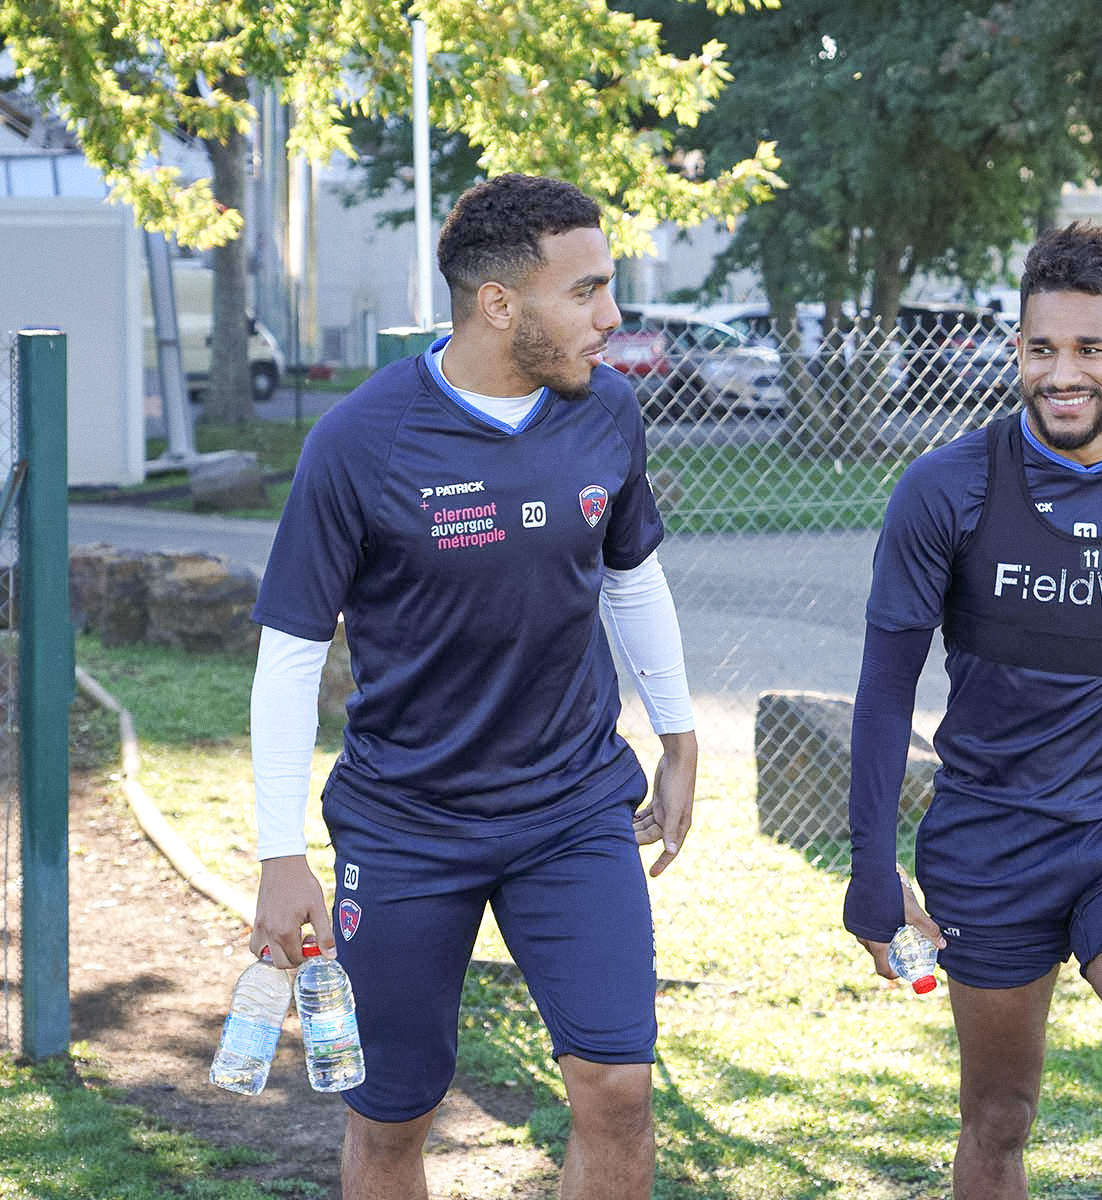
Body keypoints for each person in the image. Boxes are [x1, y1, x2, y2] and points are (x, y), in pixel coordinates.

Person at [246, 173, 697, 1200]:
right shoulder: (359, 442)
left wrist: (678, 737)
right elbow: (290, 653)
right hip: (406, 825)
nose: (612, 315)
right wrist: (280, 854)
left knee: (619, 1089)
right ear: (499, 303)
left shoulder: (607, 409)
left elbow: (631, 575)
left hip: (572, 809)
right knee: (392, 1118)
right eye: (585, 291)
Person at [845, 221, 1102, 1199]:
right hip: (992, 838)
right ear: (1017, 347)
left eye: (1088, 349)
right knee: (998, 1117)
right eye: (1040, 349)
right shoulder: (946, 489)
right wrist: (869, 870)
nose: (1061, 374)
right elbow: (885, 687)